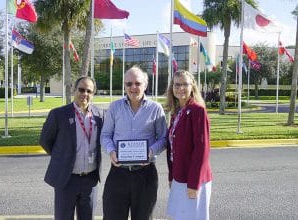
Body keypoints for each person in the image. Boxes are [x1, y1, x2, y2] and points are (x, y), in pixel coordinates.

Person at [100, 65, 167, 220]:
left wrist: (150, 152)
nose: (133, 87)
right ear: (124, 86)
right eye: (128, 84)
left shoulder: (155, 108)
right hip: (118, 173)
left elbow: (164, 139)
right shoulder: (115, 107)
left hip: (145, 174)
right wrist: (111, 151)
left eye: (137, 83)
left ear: (145, 84)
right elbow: (105, 135)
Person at [39, 76, 104, 220]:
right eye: (81, 89)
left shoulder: (100, 115)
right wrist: (62, 156)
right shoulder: (58, 114)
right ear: (74, 89)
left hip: (90, 180)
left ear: (93, 94)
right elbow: (45, 141)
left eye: (89, 91)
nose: (84, 94)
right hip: (66, 179)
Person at [165, 70, 212, 220]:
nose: (180, 88)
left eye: (185, 84)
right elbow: (172, 149)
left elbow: (202, 150)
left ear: (192, 86)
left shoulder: (198, 111)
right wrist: (172, 176)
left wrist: (194, 183)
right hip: (179, 177)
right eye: (177, 84)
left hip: (193, 180)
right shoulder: (176, 112)